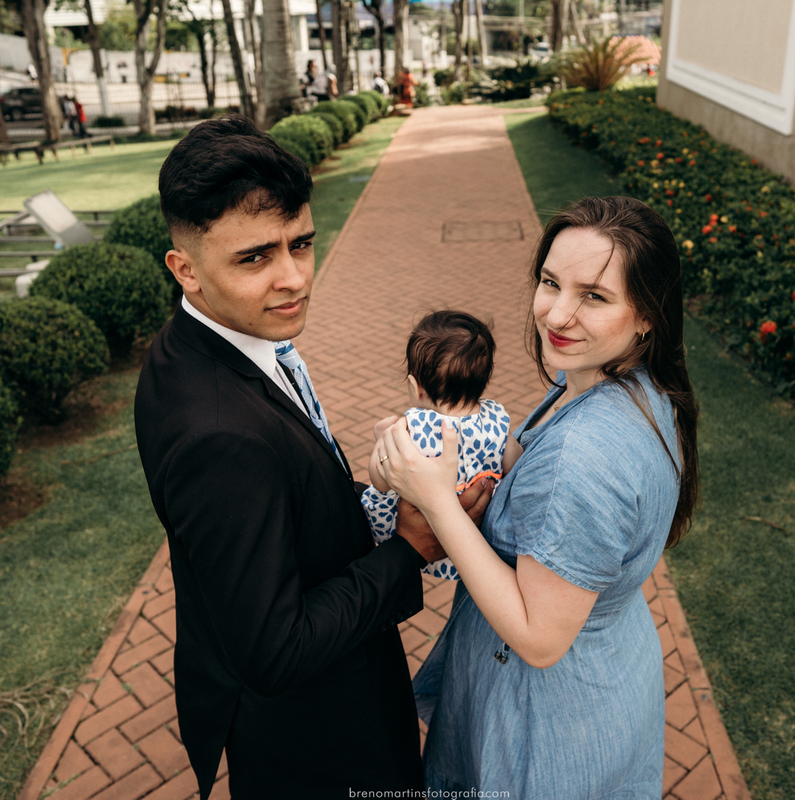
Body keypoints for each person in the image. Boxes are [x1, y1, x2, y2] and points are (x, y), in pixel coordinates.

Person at [134, 115, 493, 800]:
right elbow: (275, 651)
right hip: (318, 736)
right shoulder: (218, 436)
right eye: (255, 258)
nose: (294, 278)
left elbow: (274, 498)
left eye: (302, 243)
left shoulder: (198, 342)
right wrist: (409, 548)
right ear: (185, 269)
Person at [374, 196, 701, 798]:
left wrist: (436, 503)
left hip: (543, 724)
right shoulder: (620, 384)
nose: (557, 313)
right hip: (608, 675)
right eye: (550, 282)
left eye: (594, 296)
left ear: (647, 315)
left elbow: (538, 638)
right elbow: (530, 477)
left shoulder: (585, 455)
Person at [362, 311, 513, 581]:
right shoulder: (496, 420)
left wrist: (381, 438)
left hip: (421, 528)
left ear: (415, 387)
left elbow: (381, 481)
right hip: (474, 537)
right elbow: (515, 466)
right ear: (483, 382)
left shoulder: (413, 427)